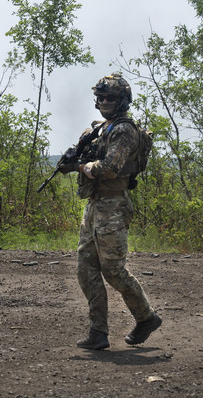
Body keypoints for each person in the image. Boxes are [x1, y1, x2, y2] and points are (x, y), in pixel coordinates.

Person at [58, 73, 162, 350]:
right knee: (85, 268)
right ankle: (98, 332)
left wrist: (79, 168)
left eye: (110, 97)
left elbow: (110, 168)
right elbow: (93, 162)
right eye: (101, 97)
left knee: (113, 270)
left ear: (123, 101)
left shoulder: (124, 130)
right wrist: (76, 159)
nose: (104, 101)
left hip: (114, 206)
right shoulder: (101, 128)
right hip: (95, 205)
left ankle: (146, 318)